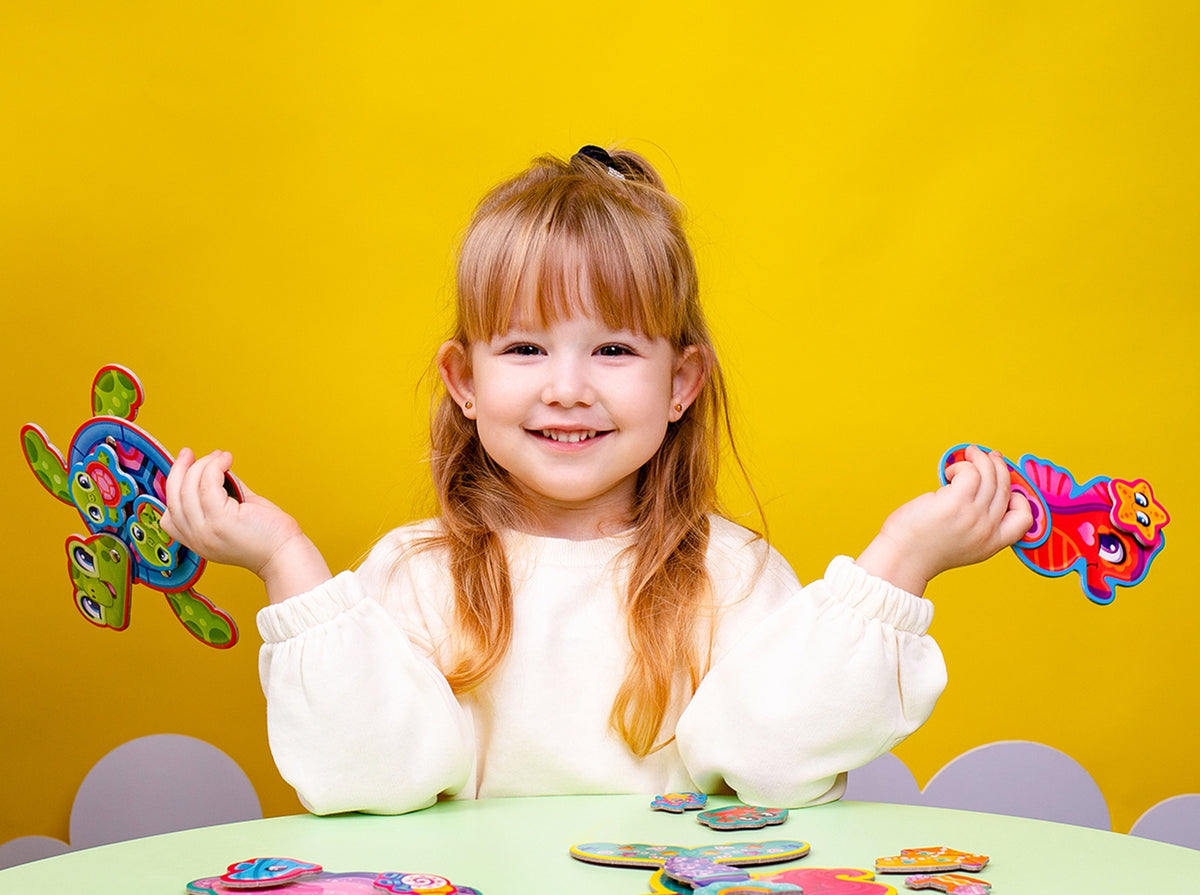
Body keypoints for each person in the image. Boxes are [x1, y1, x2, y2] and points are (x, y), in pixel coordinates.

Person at [162, 145, 1032, 816]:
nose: (567, 386)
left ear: (680, 384)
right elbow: (369, 780)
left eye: (613, 349)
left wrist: (902, 561)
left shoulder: (730, 576)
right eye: (525, 347)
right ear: (464, 381)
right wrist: (285, 561)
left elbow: (776, 763)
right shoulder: (416, 573)